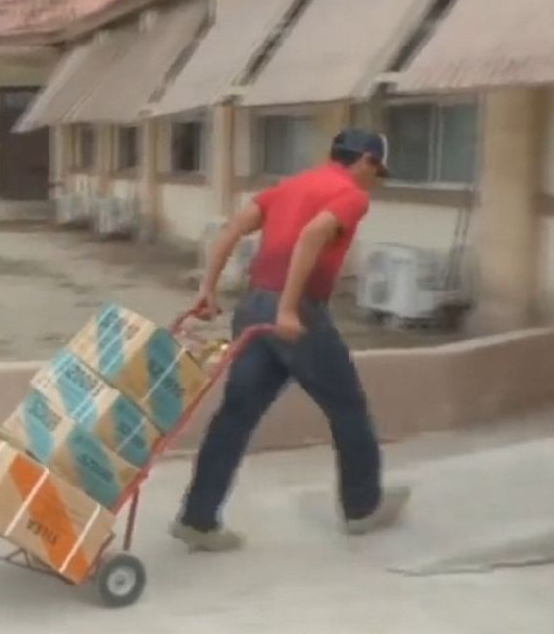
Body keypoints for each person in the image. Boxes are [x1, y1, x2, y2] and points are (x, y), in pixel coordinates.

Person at [170, 128, 411, 551]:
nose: (376, 178)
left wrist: (206, 289)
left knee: (236, 415)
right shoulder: (352, 195)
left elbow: (229, 231)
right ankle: (362, 507)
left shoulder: (288, 186)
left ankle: (198, 518)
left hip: (252, 308)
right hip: (296, 313)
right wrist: (287, 308)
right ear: (366, 160)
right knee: (348, 406)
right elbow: (313, 236)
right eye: (377, 169)